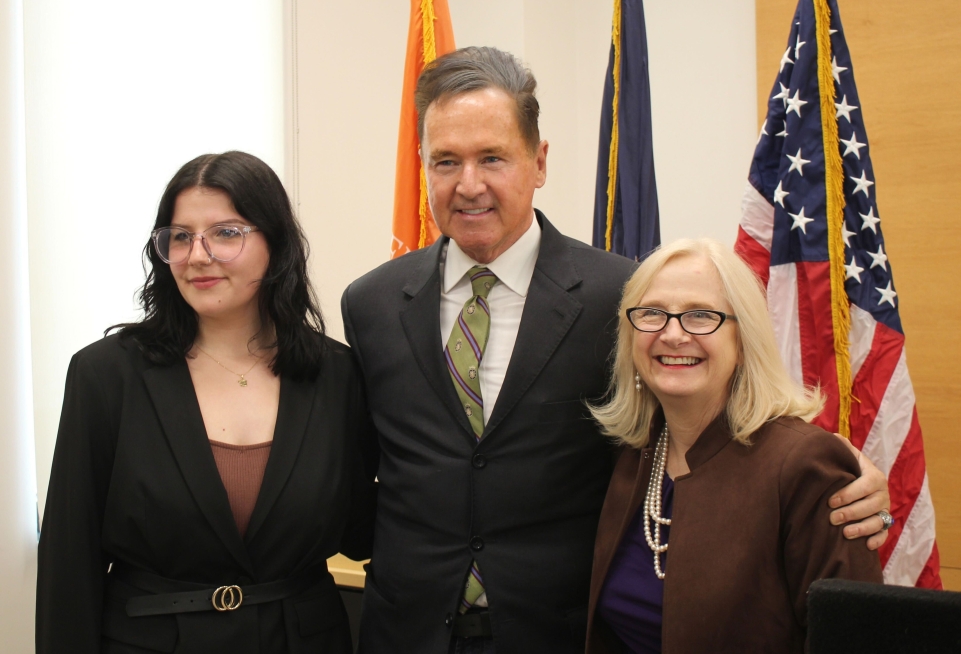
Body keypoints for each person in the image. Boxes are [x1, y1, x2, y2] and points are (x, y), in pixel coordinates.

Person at [340, 47, 889, 654]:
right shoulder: (371, 305)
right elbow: (351, 472)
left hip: (563, 635)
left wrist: (840, 467)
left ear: (539, 161)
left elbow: (708, 417)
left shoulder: (623, 297)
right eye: (446, 161)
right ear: (423, 165)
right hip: (404, 632)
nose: (469, 185)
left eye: (492, 157)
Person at [36, 151, 376, 654]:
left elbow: (364, 532)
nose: (197, 255)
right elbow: (69, 563)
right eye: (179, 236)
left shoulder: (338, 374)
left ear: (276, 244)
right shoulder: (105, 375)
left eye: (225, 233)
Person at [585, 238, 885, 653]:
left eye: (700, 315)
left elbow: (855, 638)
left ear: (744, 340)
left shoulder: (803, 466)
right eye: (652, 314)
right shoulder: (633, 454)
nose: (673, 334)